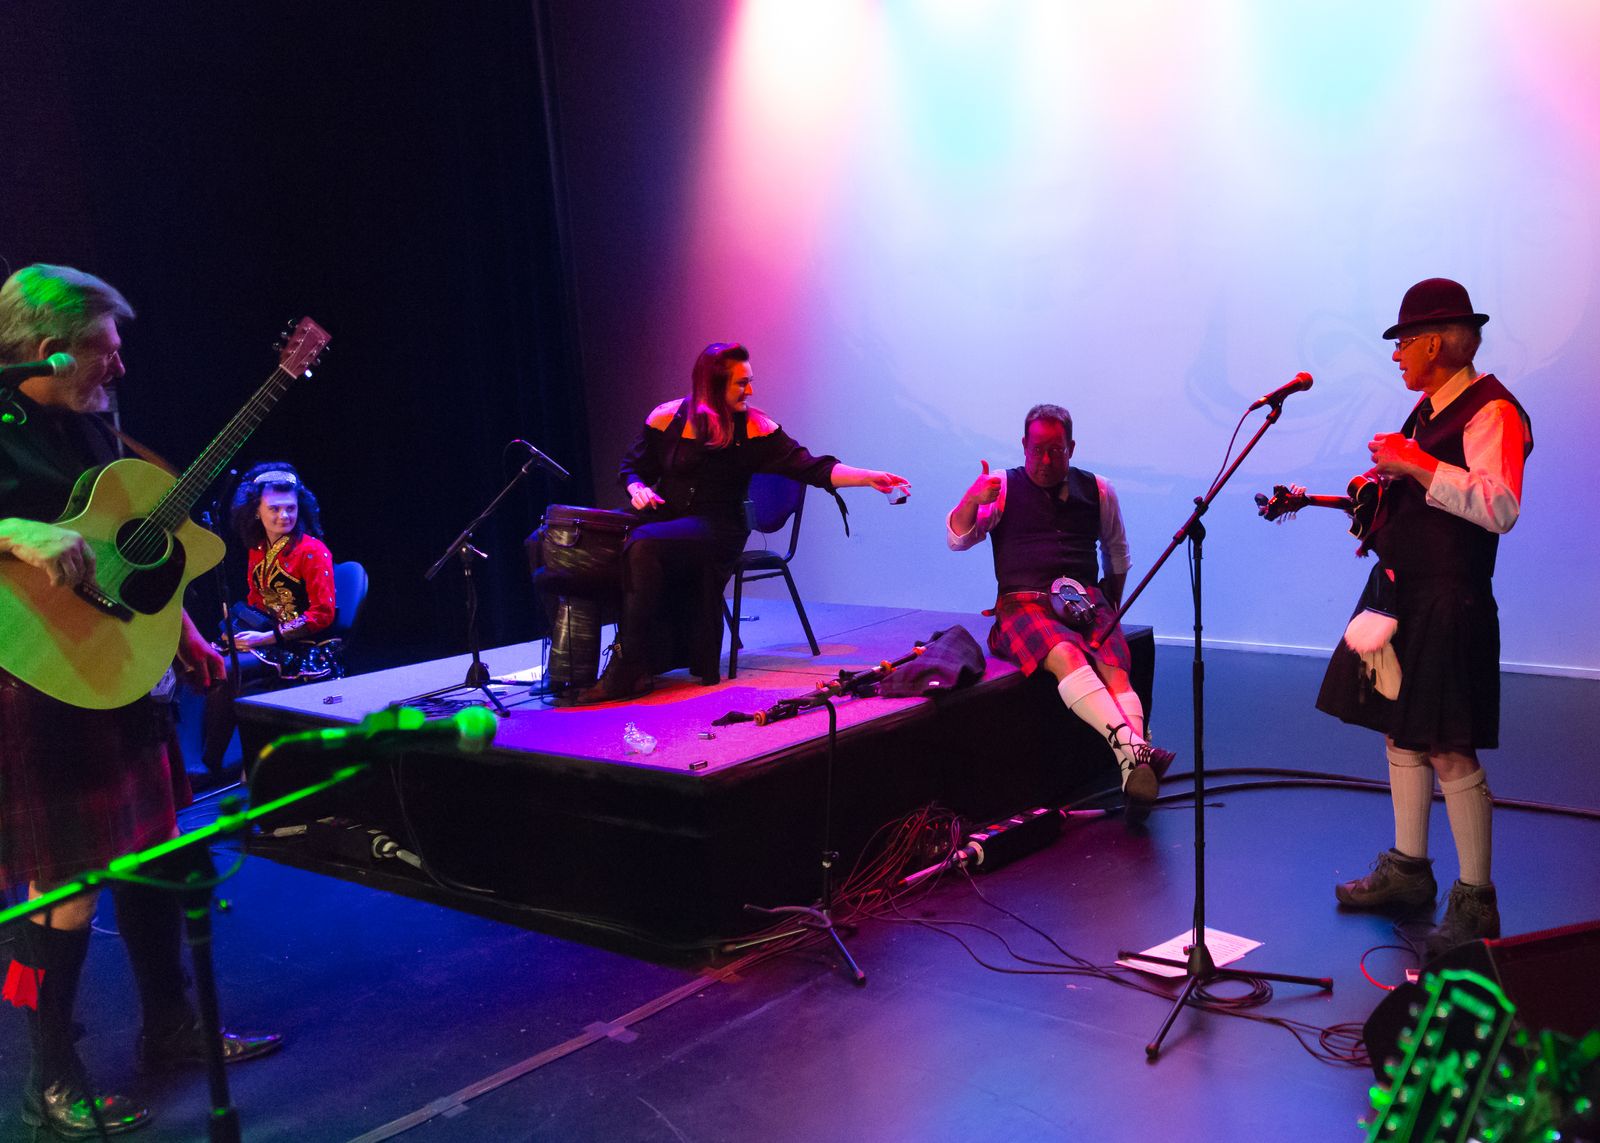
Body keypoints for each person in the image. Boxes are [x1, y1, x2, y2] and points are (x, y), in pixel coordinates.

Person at [0, 264, 280, 1138]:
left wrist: (185, 632)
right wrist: (12, 528)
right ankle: (49, 1075)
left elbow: (122, 543)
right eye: (104, 350)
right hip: (38, 675)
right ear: (50, 349)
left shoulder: (92, 425)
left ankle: (171, 1025)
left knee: (158, 848)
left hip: (118, 664)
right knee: (65, 881)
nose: (119, 367)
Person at [1317, 278, 1532, 960]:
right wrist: (1376, 501)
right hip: (1401, 594)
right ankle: (1409, 869)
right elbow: (1420, 493)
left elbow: (1498, 506)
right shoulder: (1426, 411)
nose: (1396, 355)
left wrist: (1415, 462)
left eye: (1404, 342)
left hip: (1449, 599)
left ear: (1434, 343)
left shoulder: (1492, 410)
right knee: (1401, 727)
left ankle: (1476, 900)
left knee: (1447, 743)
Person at [575, 341, 909, 703]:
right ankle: (574, 667)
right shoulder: (666, 418)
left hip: (717, 527)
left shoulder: (755, 428)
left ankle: (629, 667)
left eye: (750, 381)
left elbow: (812, 467)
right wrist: (637, 487)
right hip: (666, 518)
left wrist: (868, 477)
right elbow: (633, 468)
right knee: (569, 537)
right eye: (741, 383)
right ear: (713, 384)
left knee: (644, 545)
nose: (750, 391)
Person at [947, 404, 1174, 818]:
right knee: (1066, 653)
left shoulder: (1099, 489)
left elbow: (1116, 553)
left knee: (1116, 669)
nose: (1046, 461)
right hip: (1023, 604)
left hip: (1086, 600)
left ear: (1071, 447)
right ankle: (1137, 750)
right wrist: (971, 499)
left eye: (1056, 451)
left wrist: (1111, 604)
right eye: (1037, 450)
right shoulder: (1001, 486)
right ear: (1023, 445)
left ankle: (1132, 771)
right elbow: (958, 539)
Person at [201, 462, 339, 772]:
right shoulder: (259, 548)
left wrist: (264, 638)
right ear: (256, 511)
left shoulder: (313, 551)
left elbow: (323, 614)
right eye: (274, 509)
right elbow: (256, 601)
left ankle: (212, 764)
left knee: (226, 670)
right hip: (267, 637)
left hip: (303, 646)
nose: (284, 516)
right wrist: (236, 629)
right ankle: (214, 760)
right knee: (210, 660)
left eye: (290, 508)